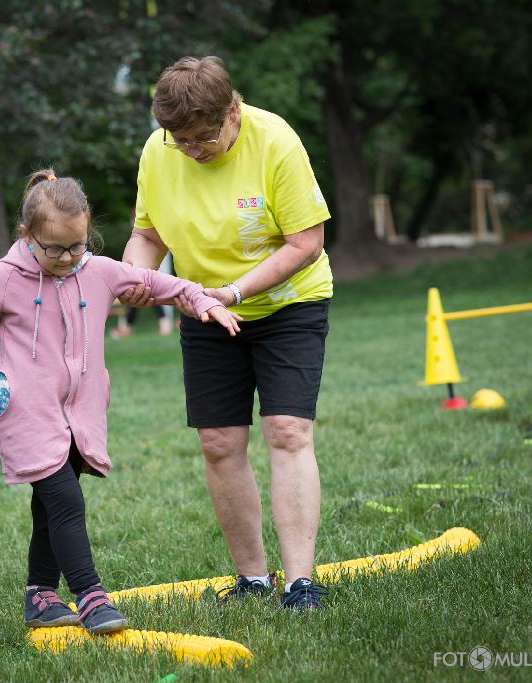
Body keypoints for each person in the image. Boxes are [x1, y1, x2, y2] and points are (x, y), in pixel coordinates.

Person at [0, 169, 240, 634]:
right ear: (28, 236)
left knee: (50, 504)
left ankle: (39, 594)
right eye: (54, 248)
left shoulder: (98, 271)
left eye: (77, 246)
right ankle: (90, 595)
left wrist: (201, 300)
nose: (66, 258)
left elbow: (161, 284)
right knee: (64, 501)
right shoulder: (6, 278)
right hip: (28, 411)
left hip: (82, 412)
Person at [120, 56, 333, 610]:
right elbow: (148, 235)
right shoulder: (157, 151)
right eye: (180, 140)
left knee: (287, 430)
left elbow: (307, 241)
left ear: (232, 111)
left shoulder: (276, 142)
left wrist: (235, 292)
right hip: (206, 309)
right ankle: (253, 579)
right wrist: (136, 277)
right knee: (219, 443)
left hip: (288, 304)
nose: (191, 149)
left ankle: (300, 582)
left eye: (203, 137)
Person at [110, 253, 175, 339]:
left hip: (147, 275)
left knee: (148, 299)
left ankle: (164, 325)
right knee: (137, 301)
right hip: (142, 276)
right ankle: (164, 325)